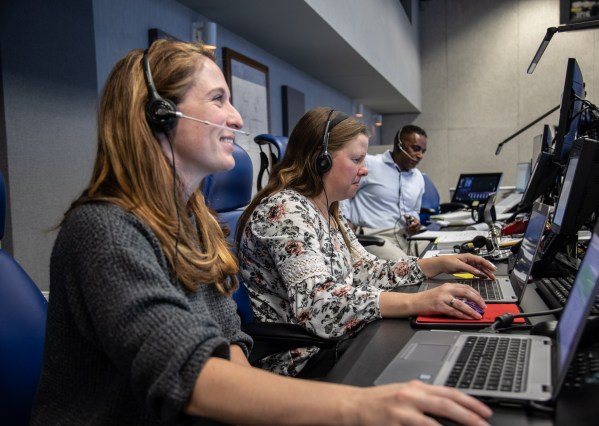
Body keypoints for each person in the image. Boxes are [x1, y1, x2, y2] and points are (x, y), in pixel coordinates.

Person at [29, 40, 493, 426]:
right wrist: (359, 406)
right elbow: (186, 371)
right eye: (217, 99)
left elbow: (228, 336)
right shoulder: (105, 230)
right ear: (159, 114)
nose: (237, 119)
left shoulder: (191, 222)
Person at [236, 107, 497, 378]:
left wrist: (437, 264)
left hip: (338, 340)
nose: (364, 171)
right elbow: (318, 306)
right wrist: (418, 302)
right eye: (357, 159)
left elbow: (366, 270)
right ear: (320, 160)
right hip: (303, 359)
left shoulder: (326, 208)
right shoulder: (285, 211)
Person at [341, 124, 429, 260]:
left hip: (406, 236)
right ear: (399, 145)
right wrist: (345, 222)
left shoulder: (418, 177)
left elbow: (413, 210)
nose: (420, 156)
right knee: (404, 265)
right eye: (416, 149)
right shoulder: (370, 164)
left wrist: (414, 220)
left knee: (437, 251)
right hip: (375, 236)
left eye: (423, 151)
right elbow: (343, 194)